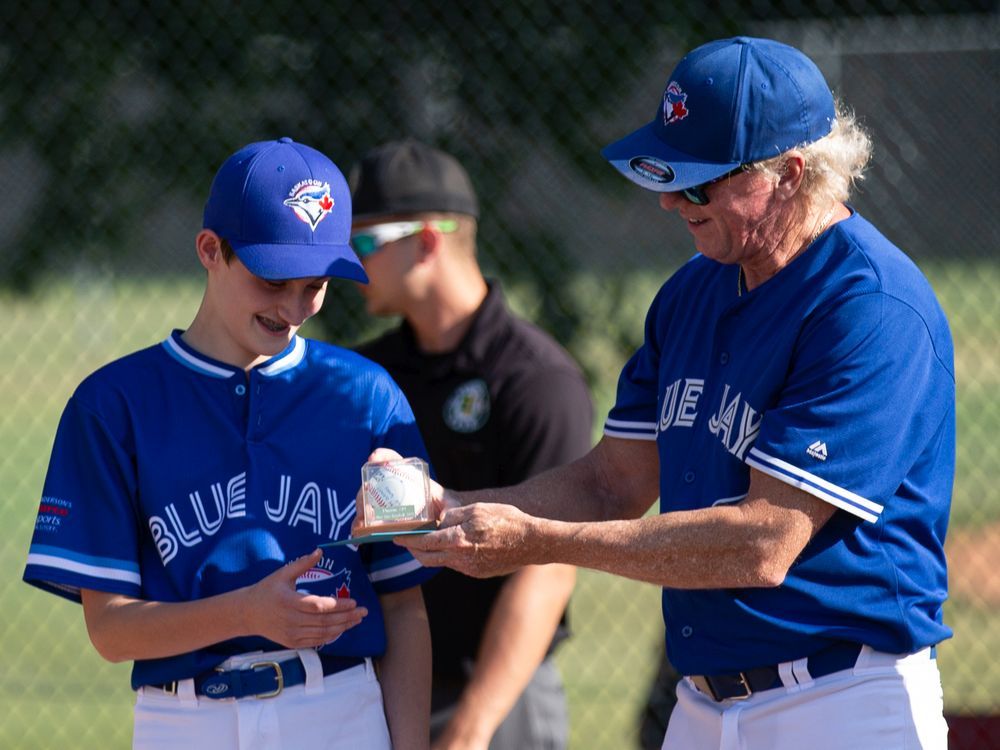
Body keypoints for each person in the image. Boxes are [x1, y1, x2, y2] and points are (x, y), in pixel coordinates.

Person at [393, 37, 955, 749]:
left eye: (699, 182)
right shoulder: (691, 293)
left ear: (790, 174)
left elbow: (762, 543)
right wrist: (454, 509)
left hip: (841, 700)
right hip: (702, 705)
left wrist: (538, 542)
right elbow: (609, 483)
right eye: (666, 174)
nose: (669, 200)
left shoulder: (868, 308)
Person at [23, 137, 437, 750]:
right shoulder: (113, 404)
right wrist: (246, 613)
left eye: (317, 283)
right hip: (186, 722)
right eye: (274, 278)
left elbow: (404, 608)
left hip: (338, 709)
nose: (296, 306)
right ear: (210, 250)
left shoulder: (367, 397)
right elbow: (111, 631)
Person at [348, 139, 593, 750]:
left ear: (427, 241)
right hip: (384, 685)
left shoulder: (535, 378)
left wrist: (474, 725)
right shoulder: (365, 378)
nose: (349, 266)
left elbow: (549, 568)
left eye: (364, 244)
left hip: (497, 695)